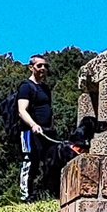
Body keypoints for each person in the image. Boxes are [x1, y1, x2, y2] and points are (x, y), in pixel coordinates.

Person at [14, 55, 62, 201]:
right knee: (30, 161)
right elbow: (22, 110)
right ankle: (25, 196)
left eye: (45, 66)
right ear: (31, 67)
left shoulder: (45, 89)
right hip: (29, 131)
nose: (43, 69)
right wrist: (33, 125)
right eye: (39, 66)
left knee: (51, 162)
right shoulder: (26, 87)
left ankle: (50, 193)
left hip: (46, 131)